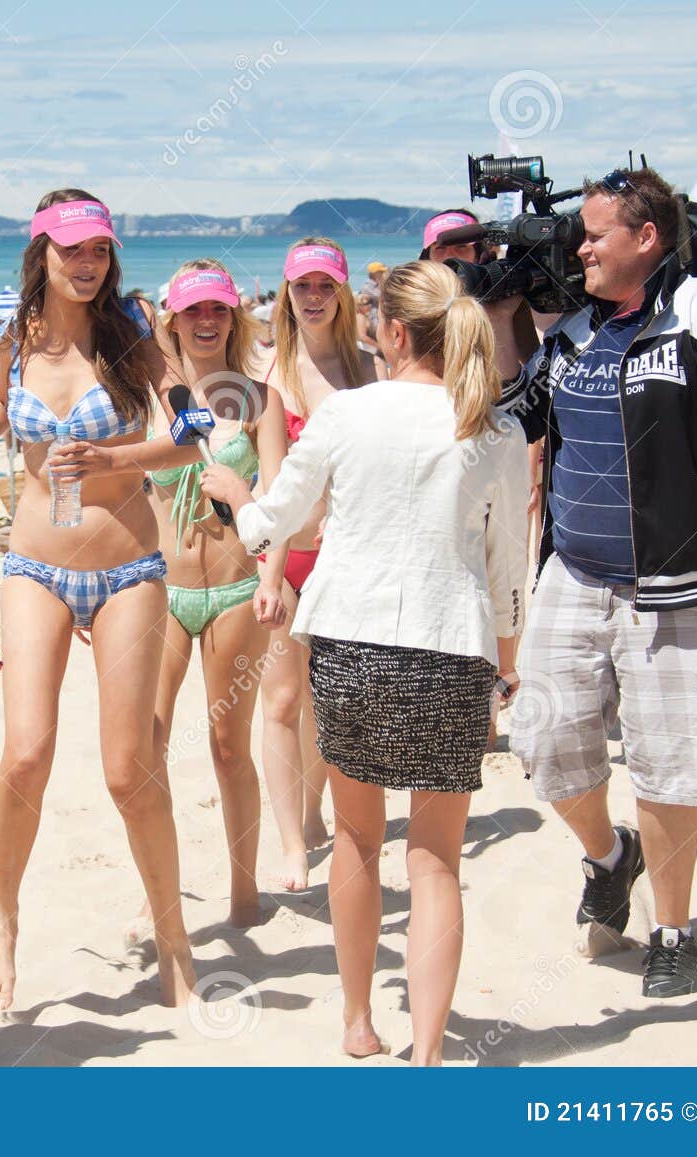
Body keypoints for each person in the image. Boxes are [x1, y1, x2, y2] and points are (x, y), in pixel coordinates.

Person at [490, 167, 697, 998]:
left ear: (647, 238)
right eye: (578, 235)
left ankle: (674, 931)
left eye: (595, 234)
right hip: (575, 573)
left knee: (670, 763)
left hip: (687, 583)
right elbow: (510, 410)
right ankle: (609, 855)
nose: (579, 247)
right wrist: (496, 311)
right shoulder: (571, 328)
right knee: (547, 743)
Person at [203, 260, 527, 1064]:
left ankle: (356, 1018)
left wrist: (235, 497)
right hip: (453, 651)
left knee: (354, 839)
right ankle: (427, 1051)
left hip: (351, 646)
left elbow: (274, 525)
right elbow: (507, 570)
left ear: (390, 332)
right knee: (436, 861)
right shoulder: (494, 426)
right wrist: (507, 668)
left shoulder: (346, 415)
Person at [0, 190, 207, 1011]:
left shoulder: (133, 331)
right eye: (71, 252)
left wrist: (115, 461)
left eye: (97, 250)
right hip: (34, 564)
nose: (87, 265)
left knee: (130, 772)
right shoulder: (15, 337)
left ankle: (175, 944)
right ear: (42, 256)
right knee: (25, 754)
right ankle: (4, 922)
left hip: (129, 570)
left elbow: (190, 430)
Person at [144, 261, 288, 925]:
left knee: (229, 746)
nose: (207, 321)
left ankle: (244, 889)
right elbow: (114, 494)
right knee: (143, 746)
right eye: (194, 310)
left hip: (235, 589)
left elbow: (281, 504)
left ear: (235, 318)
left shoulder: (260, 400)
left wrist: (270, 579)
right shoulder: (146, 400)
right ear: (172, 318)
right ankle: (161, 892)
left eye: (219, 310)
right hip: (156, 591)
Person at [253, 237, 377, 889]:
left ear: (343, 293)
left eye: (324, 286)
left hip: (348, 562)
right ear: (286, 294)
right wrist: (271, 575)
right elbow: (275, 487)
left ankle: (312, 811)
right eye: (302, 286)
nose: (313, 298)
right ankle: (292, 844)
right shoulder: (272, 374)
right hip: (288, 555)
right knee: (279, 700)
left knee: (330, 707)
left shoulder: (370, 369)